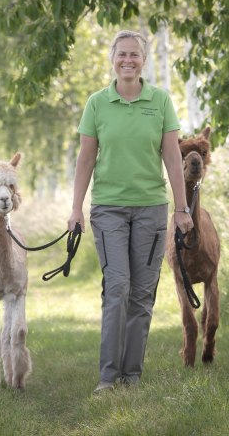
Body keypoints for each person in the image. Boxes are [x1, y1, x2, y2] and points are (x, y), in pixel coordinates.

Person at [67, 29, 193, 394]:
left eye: (134, 55)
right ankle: (108, 377)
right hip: (109, 209)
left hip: (152, 209)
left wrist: (181, 209)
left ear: (144, 60)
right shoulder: (97, 103)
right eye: (121, 54)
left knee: (142, 293)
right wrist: (76, 208)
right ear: (113, 59)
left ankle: (131, 376)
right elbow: (86, 157)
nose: (127, 60)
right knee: (118, 286)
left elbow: (172, 156)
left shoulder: (161, 101)